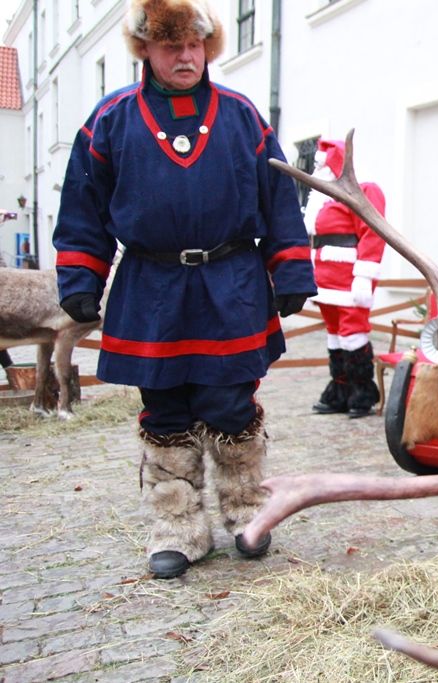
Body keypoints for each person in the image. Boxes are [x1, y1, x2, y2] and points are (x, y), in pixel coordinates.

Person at [52, 0, 316, 579]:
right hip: (151, 286)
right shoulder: (111, 120)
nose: (187, 56)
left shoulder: (243, 116)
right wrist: (79, 278)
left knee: (230, 402)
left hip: (232, 284)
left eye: (196, 44)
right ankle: (176, 524)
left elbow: (279, 201)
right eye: (173, 46)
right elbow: (82, 209)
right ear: (146, 48)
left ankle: (249, 511)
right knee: (166, 408)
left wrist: (291, 268)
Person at [304, 139, 387, 418]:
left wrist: (364, 277)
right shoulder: (323, 200)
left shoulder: (364, 191)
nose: (318, 168)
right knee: (335, 336)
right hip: (325, 282)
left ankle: (362, 390)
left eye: (322, 163)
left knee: (353, 334)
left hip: (350, 280)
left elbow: (373, 233)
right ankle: (340, 388)